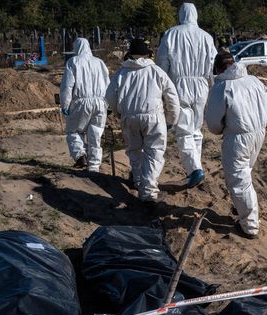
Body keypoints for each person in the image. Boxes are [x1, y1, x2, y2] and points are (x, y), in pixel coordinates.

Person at [106, 39, 180, 202]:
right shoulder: (157, 71)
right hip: (153, 116)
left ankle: (139, 181)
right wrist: (171, 119)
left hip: (129, 116)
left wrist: (119, 113)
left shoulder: (122, 72)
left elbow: (110, 95)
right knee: (154, 153)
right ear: (148, 54)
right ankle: (148, 191)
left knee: (135, 151)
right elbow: (172, 97)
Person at [204, 52, 267, 239]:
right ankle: (243, 207)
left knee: (238, 179)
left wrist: (222, 129)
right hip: (258, 133)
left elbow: (213, 122)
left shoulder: (222, 87)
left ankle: (249, 226)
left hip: (238, 136)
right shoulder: (254, 81)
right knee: (245, 172)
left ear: (217, 69)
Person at [156, 3, 218, 188]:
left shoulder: (171, 34)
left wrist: (161, 88)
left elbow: (162, 63)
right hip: (201, 85)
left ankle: (195, 170)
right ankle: (195, 167)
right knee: (196, 129)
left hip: (179, 85)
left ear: (181, 14)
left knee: (183, 130)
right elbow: (213, 65)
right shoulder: (207, 37)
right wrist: (214, 87)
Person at [60, 37, 109, 172]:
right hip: (100, 102)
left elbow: (67, 86)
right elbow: (108, 83)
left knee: (74, 130)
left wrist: (64, 104)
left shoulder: (73, 62)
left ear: (77, 48)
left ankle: (80, 155)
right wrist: (108, 103)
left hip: (81, 102)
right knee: (96, 133)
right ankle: (94, 166)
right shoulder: (100, 62)